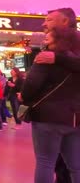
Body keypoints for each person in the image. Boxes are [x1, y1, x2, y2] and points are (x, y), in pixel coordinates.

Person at [21, 28, 80, 183]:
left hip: (47, 118)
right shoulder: (76, 61)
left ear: (58, 40)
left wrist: (25, 98)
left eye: (48, 38)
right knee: (76, 165)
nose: (44, 40)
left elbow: (30, 87)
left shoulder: (45, 59)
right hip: (74, 118)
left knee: (45, 162)